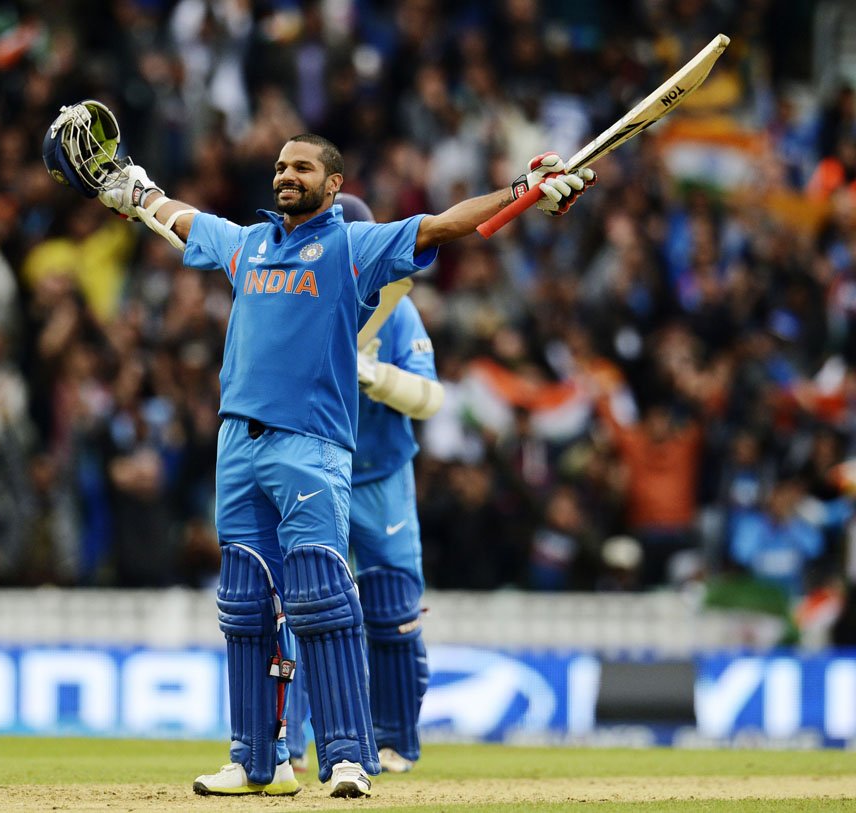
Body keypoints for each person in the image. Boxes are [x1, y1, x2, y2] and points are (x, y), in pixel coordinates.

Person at [43, 101, 595, 798]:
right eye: (279, 166)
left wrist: (523, 189)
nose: (285, 175)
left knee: (322, 599)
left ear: (333, 185)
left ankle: (346, 757)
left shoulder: (352, 248)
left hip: (311, 446)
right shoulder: (247, 244)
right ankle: (255, 760)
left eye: (301, 166)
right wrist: (130, 189)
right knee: (244, 603)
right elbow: (173, 214)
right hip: (236, 442)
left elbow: (450, 224)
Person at [284, 192, 443, 776]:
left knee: (393, 609)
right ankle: (287, 744)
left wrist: (376, 375)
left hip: (378, 475)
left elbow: (430, 399)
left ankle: (394, 739)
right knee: (301, 604)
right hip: (310, 467)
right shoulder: (290, 299)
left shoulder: (397, 311)